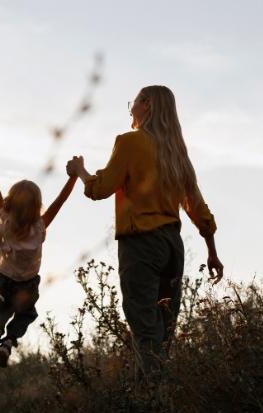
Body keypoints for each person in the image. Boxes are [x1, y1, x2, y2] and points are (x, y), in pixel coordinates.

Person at [66, 85, 224, 380]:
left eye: (134, 102)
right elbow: (199, 210)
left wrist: (80, 172)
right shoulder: (177, 152)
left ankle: (154, 406)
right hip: (172, 247)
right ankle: (149, 407)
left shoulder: (129, 142)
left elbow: (99, 189)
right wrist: (212, 252)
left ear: (147, 105)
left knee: (145, 330)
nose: (131, 108)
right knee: (162, 334)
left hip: (141, 246)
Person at [0, 167, 77, 367]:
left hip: (2, 277)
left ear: (11, 201)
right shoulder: (40, 226)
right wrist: (73, 177)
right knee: (26, 314)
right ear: (36, 206)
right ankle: (7, 343)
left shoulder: (3, 219)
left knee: (3, 304)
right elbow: (60, 201)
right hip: (27, 284)